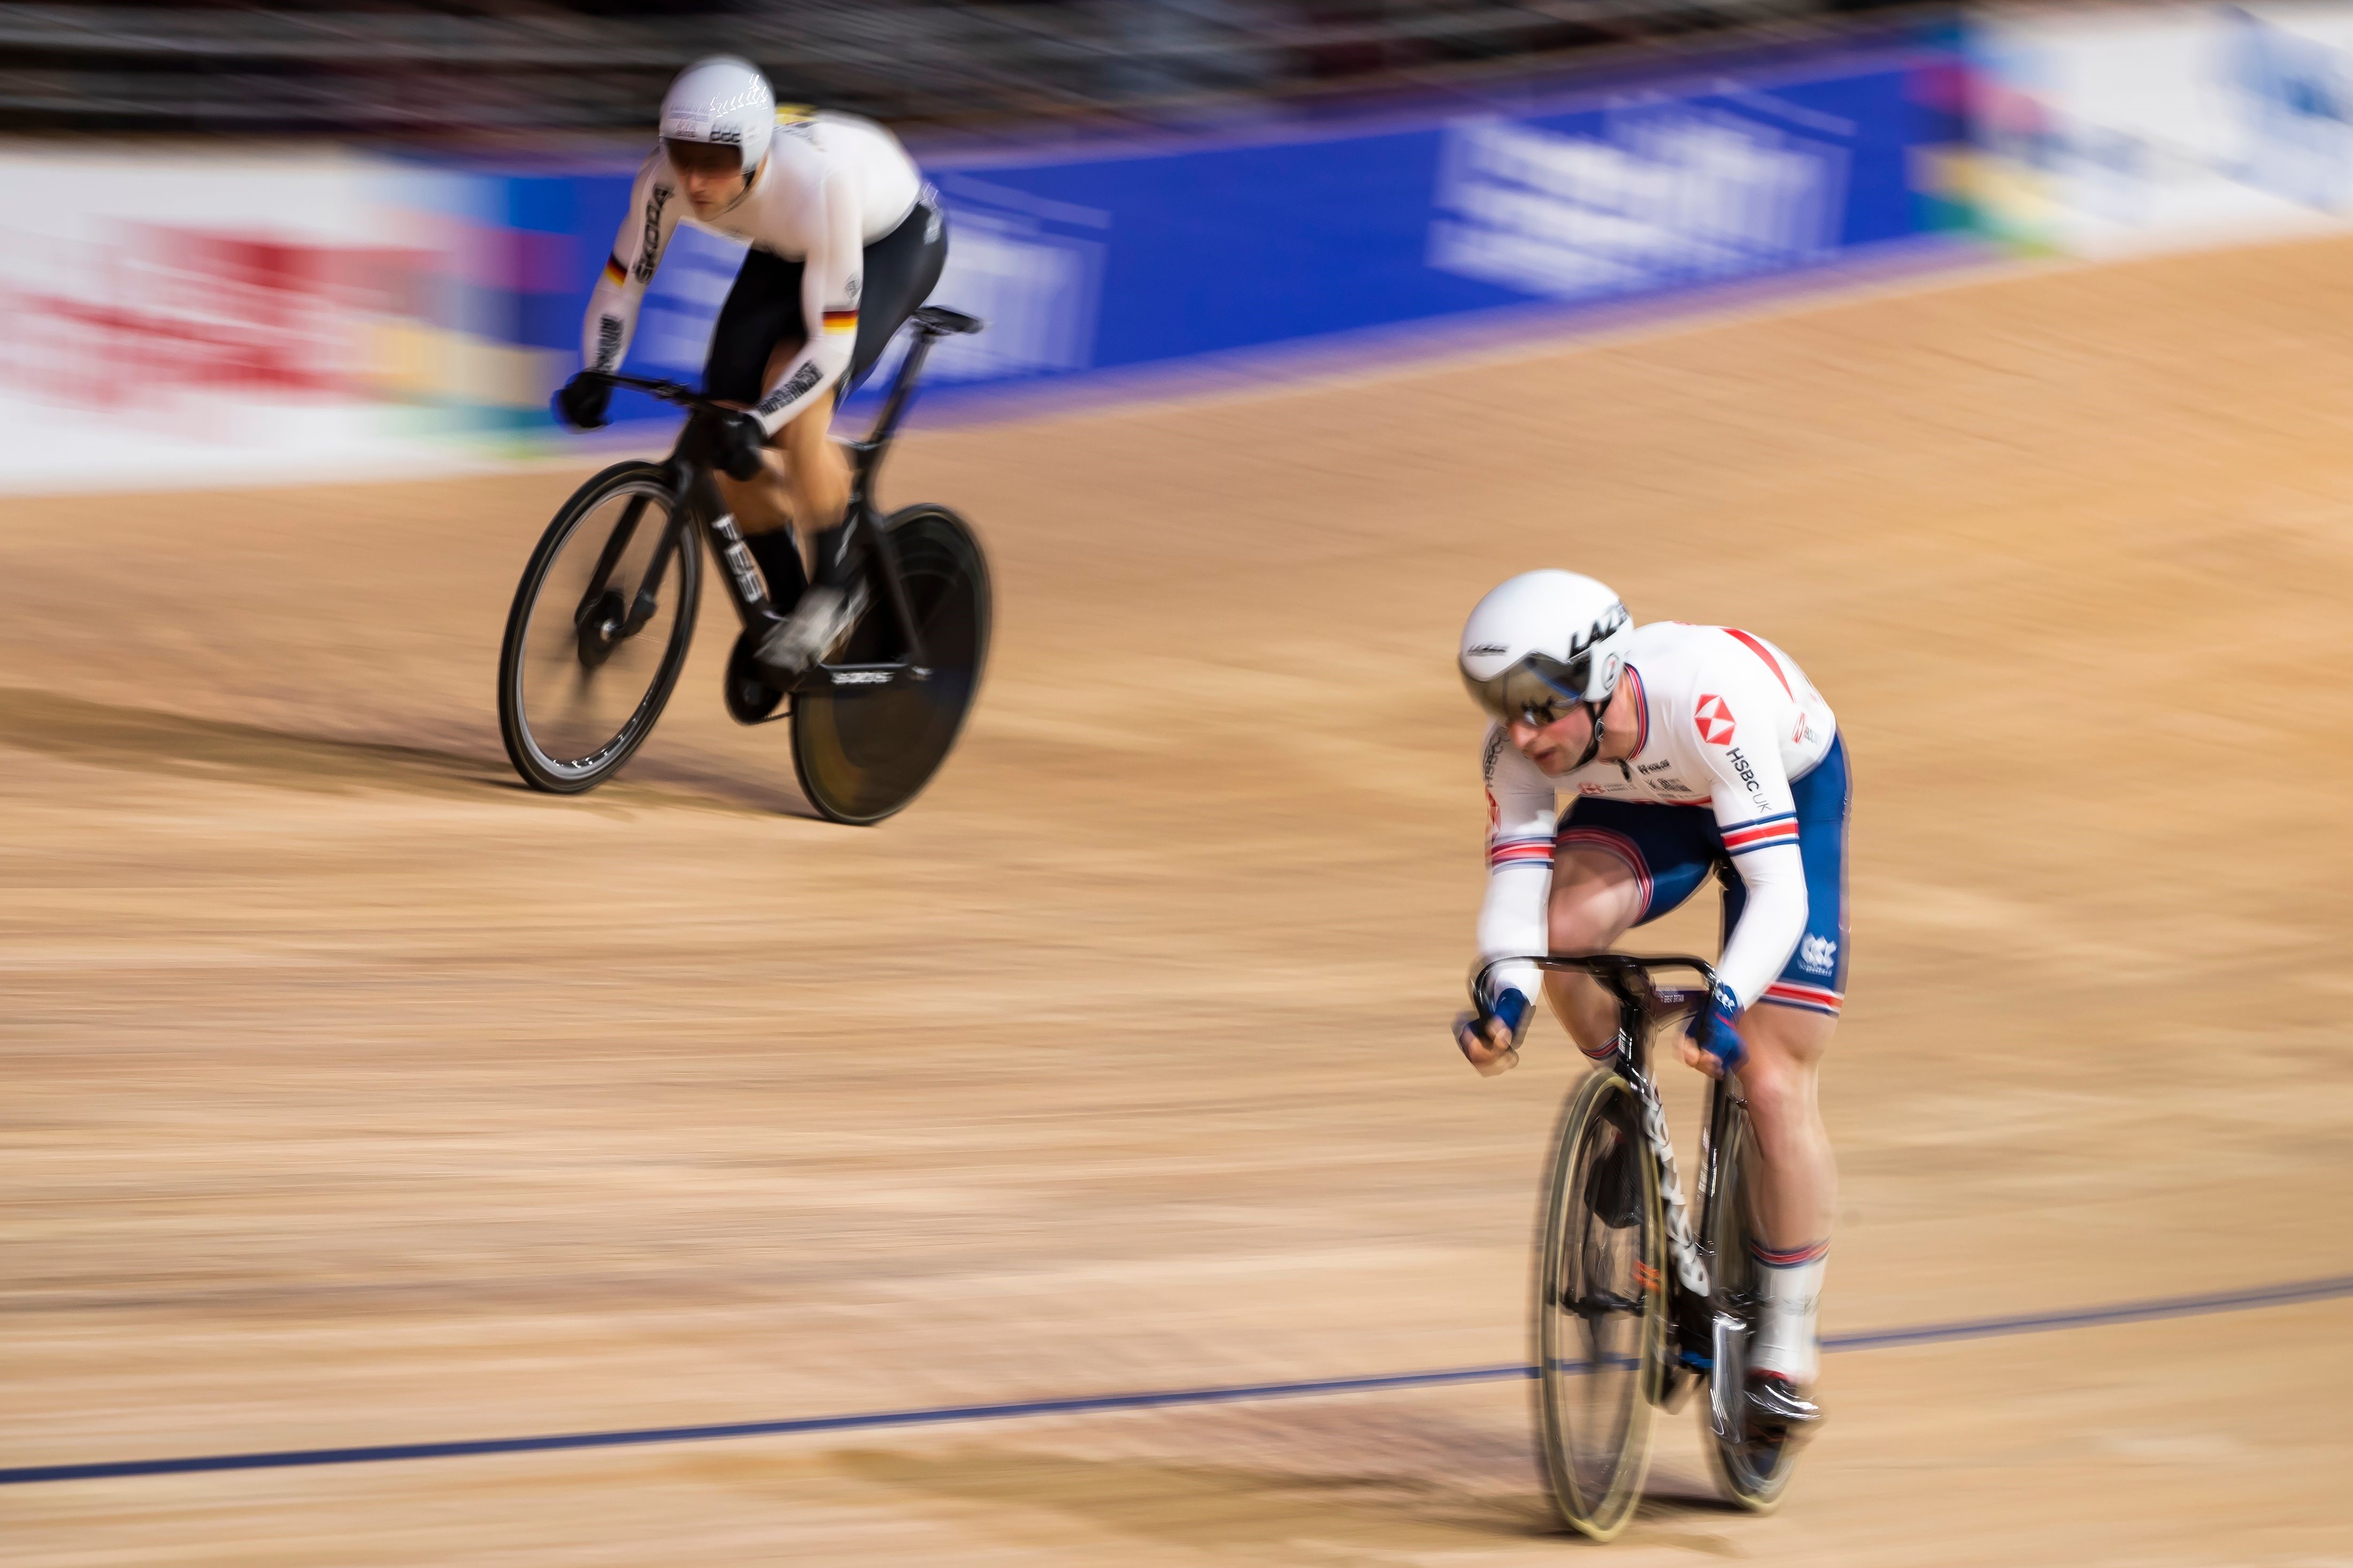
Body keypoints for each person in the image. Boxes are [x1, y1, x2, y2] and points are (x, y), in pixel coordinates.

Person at [1453, 569, 1849, 1436]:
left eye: (1538, 705)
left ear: (1596, 677)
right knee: (1562, 932)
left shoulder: (1707, 697)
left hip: (1783, 792)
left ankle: (1787, 1339)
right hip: (1654, 803)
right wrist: (1508, 1000)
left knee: (1775, 1079)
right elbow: (1517, 881)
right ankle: (1628, 1114)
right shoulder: (1519, 741)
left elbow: (1776, 889)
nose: (1522, 730)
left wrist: (1728, 1002)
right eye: (1500, 704)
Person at [552, 56, 948, 678]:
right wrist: (598, 370)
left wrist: (764, 421)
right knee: (719, 428)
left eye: (714, 164)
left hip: (888, 236)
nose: (696, 182)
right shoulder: (664, 180)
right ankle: (788, 607)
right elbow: (621, 285)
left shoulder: (818, 184)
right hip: (786, 242)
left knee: (792, 411)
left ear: (756, 154)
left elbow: (830, 347)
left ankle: (833, 590)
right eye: (682, 157)